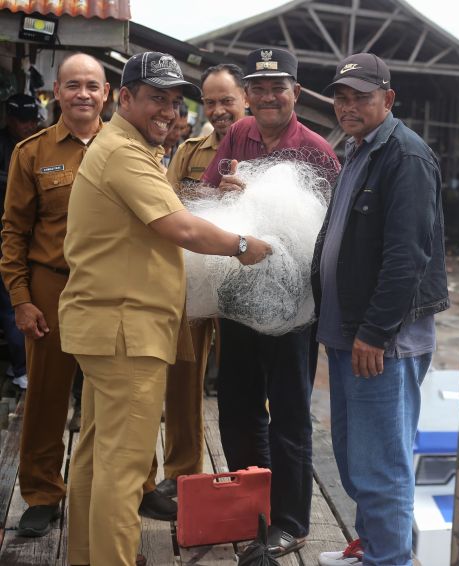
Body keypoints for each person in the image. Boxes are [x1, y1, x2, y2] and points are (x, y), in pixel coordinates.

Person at [59, 51, 272, 566]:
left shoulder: (125, 148)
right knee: (125, 466)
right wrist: (245, 245)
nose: (169, 111)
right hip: (126, 331)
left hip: (108, 325)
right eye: (156, 98)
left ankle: (87, 557)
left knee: (95, 454)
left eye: (176, 102)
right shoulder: (126, 154)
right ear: (124, 97)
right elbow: (181, 227)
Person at [200, 47, 339, 556]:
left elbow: (332, 235)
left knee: (289, 414)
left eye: (277, 87)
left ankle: (290, 520)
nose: (266, 97)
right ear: (249, 95)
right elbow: (208, 195)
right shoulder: (238, 134)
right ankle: (247, 500)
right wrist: (231, 194)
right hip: (239, 295)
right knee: (235, 405)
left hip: (294, 307)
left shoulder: (318, 151)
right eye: (257, 88)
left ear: (296, 93)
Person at [313, 53, 449, 566]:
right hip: (350, 335)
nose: (349, 106)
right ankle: (370, 548)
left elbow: (407, 256)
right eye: (342, 97)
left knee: (383, 465)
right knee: (355, 458)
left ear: (388, 100)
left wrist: (375, 330)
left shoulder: (405, 157)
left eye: (362, 97)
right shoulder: (357, 151)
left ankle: (389, 560)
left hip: (381, 343)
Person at [0, 54, 107, 538]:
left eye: (92, 85)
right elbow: (14, 232)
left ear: (107, 94)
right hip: (52, 287)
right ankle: (42, 493)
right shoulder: (31, 153)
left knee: (120, 391)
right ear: (56, 93)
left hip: (115, 287)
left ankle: (135, 484)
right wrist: (21, 298)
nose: (83, 94)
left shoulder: (133, 149)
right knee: (45, 395)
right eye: (73, 85)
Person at [139, 63, 248, 518]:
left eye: (227, 100)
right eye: (210, 101)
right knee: (184, 375)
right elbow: (169, 208)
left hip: (243, 283)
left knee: (243, 381)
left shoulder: (264, 148)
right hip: (195, 278)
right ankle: (182, 469)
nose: (219, 110)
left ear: (246, 99)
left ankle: (245, 470)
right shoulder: (187, 151)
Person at [0, 93, 40, 393]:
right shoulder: (17, 148)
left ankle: (27, 367)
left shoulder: (41, 145)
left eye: (30, 119)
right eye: (20, 119)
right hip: (9, 236)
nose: (26, 125)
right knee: (12, 302)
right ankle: (22, 367)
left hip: (32, 241)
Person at [162, 101, 189, 167]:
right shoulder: (146, 150)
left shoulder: (183, 153)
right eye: (174, 127)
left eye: (182, 128)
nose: (178, 134)